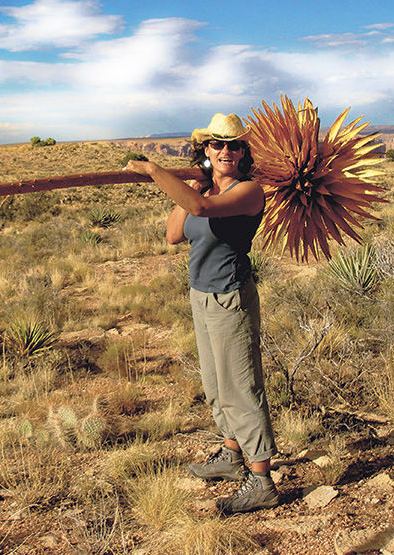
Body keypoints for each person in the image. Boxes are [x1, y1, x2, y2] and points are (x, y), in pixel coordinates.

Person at [126, 112, 279, 514]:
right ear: (206, 151)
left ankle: (261, 479)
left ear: (244, 152)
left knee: (241, 387)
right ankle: (231, 457)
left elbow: (201, 210)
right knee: (215, 384)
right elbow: (174, 234)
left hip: (230, 296)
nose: (225, 151)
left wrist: (155, 170)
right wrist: (195, 183)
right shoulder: (204, 190)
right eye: (217, 145)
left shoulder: (248, 191)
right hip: (202, 295)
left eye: (234, 145)